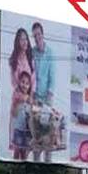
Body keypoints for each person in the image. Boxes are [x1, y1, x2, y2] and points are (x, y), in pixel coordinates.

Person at [31, 22, 56, 162]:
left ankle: (48, 162)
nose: (37, 38)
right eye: (35, 36)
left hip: (47, 98)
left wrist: (48, 99)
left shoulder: (50, 52)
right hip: (35, 98)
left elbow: (52, 78)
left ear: (43, 34)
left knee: (48, 131)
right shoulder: (32, 52)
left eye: (39, 34)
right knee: (36, 132)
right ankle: (36, 162)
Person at [10, 70, 33, 160]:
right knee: (17, 150)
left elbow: (31, 113)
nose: (24, 85)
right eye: (23, 82)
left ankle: (23, 171)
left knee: (24, 153)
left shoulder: (30, 98)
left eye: (27, 83)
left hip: (27, 131)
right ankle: (14, 170)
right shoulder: (16, 95)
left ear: (30, 85)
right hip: (18, 130)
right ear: (19, 82)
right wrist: (16, 103)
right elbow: (13, 113)